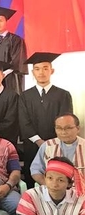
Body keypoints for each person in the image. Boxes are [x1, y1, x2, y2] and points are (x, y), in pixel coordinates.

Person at [19, 52, 73, 188]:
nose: (41, 72)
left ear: (52, 71)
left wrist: (52, 141)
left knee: (58, 177)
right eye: (37, 69)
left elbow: (65, 122)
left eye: (45, 68)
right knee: (33, 177)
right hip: (32, 145)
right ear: (32, 72)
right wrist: (39, 141)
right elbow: (23, 121)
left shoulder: (63, 95)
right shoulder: (25, 96)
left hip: (58, 144)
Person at [31, 113, 85, 185]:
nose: (63, 132)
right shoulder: (47, 145)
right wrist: (48, 185)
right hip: (54, 191)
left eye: (68, 128)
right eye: (59, 128)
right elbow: (36, 170)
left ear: (78, 129)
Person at [0, 6, 28, 94]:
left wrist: (4, 73)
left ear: (6, 21)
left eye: (1, 20)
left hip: (11, 77)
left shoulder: (16, 40)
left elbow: (17, 59)